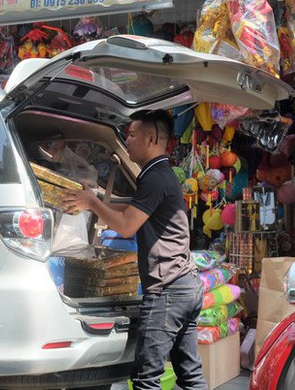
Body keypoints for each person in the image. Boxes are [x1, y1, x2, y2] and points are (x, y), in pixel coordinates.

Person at [62, 110, 207, 390]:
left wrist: (93, 203)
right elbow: (132, 209)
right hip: (186, 285)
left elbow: (127, 225)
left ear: (151, 138)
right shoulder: (158, 174)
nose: (126, 140)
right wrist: (90, 200)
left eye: (131, 134)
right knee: (190, 375)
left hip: (168, 290)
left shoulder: (155, 178)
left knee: (145, 379)